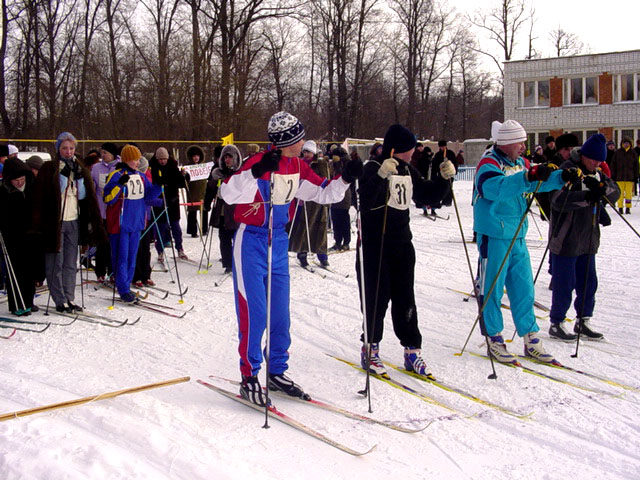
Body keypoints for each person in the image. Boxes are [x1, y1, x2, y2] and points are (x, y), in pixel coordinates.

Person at [219, 111, 361, 406]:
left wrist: (345, 178)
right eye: (298, 139)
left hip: (279, 244)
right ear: (286, 142)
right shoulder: (258, 163)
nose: (303, 143)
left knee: (280, 317)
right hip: (251, 240)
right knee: (255, 315)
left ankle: (277, 371)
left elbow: (323, 193)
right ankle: (249, 376)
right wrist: (255, 174)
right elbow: (228, 194)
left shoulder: (297, 165)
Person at [473, 120, 579, 364]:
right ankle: (494, 337)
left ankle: (530, 337)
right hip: (495, 234)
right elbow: (493, 188)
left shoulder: (521, 163)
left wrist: (561, 176)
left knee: (524, 289)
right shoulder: (489, 162)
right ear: (508, 142)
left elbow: (537, 180)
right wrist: (528, 176)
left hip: (518, 233)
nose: (523, 146)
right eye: (520, 142)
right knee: (492, 289)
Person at [357, 124, 456, 377]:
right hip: (375, 246)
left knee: (405, 299)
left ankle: (412, 350)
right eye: (409, 149)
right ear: (394, 149)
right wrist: (380, 177)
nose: (413, 153)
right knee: (376, 299)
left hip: (402, 244)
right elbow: (366, 201)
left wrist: (444, 181)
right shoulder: (371, 168)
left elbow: (426, 196)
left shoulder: (406, 170)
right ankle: (370, 347)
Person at [547, 134, 620, 342]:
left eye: (600, 161)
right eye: (593, 159)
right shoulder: (567, 170)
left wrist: (601, 190)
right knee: (564, 282)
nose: (596, 164)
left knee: (589, 281)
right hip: (566, 237)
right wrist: (586, 196)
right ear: (584, 155)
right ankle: (557, 321)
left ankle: (583, 319)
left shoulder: (596, 174)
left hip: (589, 236)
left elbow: (614, 191)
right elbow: (557, 200)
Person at [32, 132, 105, 313]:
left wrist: (79, 178)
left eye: (71, 148)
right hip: (55, 222)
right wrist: (63, 176)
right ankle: (59, 299)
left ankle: (69, 297)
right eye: (64, 148)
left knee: (70, 262)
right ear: (58, 149)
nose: (68, 151)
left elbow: (82, 195)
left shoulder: (79, 166)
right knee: (56, 261)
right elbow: (45, 196)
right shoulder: (49, 168)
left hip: (73, 219)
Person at [103, 145, 162, 303]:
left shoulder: (140, 176)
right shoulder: (116, 174)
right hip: (120, 224)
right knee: (121, 257)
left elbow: (147, 196)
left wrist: (159, 186)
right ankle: (123, 288)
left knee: (131, 257)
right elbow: (108, 198)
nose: (137, 162)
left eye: (138, 159)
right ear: (126, 159)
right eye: (134, 159)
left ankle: (126, 285)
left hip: (136, 223)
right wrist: (119, 185)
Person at [0, 158, 39, 315]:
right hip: (12, 236)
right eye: (16, 180)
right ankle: (17, 304)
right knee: (15, 270)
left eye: (21, 179)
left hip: (30, 234)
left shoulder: (31, 187)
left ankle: (28, 301)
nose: (19, 183)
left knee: (29, 269)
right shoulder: (4, 191)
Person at [288, 140, 331, 267]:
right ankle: (302, 253)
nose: (306, 154)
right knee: (303, 228)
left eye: (309, 152)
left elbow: (324, 180)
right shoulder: (299, 163)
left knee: (319, 229)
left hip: (316, 202)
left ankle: (322, 255)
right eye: (305, 151)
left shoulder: (320, 163)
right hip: (302, 200)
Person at [149, 147, 188, 262]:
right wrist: (157, 181)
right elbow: (150, 182)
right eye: (160, 159)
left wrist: (184, 176)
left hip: (173, 201)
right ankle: (160, 251)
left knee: (176, 227)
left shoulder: (173, 167)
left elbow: (181, 183)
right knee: (160, 228)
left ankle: (180, 249)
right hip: (159, 202)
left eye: (164, 159)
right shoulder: (153, 167)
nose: (162, 161)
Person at [209, 144, 243, 273]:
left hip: (235, 212)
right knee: (224, 239)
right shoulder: (219, 173)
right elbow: (211, 189)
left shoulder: (240, 174)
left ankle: (238, 263)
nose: (226, 160)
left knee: (237, 239)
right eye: (225, 157)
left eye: (229, 157)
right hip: (222, 211)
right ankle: (228, 264)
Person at [91, 143, 119, 282]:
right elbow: (92, 186)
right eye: (101, 152)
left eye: (105, 153)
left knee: (114, 244)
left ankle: (113, 271)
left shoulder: (120, 166)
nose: (103, 155)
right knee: (102, 243)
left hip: (116, 212)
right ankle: (100, 272)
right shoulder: (97, 168)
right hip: (102, 211)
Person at [132, 156, 158, 287]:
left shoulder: (148, 176)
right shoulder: (135, 176)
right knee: (136, 247)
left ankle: (146, 275)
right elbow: (143, 198)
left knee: (145, 247)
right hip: (136, 217)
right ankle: (136, 275)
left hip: (146, 217)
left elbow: (150, 195)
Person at [609, 137, 638, 214]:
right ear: (622, 144)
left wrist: (636, 176)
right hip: (619, 177)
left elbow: (636, 165)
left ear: (630, 144)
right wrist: (613, 175)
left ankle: (628, 208)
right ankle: (620, 207)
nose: (626, 144)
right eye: (624, 143)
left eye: (627, 143)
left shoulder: (633, 153)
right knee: (620, 194)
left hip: (629, 177)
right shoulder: (617, 153)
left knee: (629, 194)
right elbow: (613, 165)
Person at [184, 145, 208, 237]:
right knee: (192, 211)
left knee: (204, 210)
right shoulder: (188, 168)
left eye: (197, 156)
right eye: (194, 156)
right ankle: (193, 231)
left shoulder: (204, 167)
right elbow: (185, 180)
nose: (196, 158)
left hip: (203, 191)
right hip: (192, 191)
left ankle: (204, 229)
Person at [429, 140, 458, 214]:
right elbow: (435, 166)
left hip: (449, 174)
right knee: (442, 188)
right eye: (441, 147)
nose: (442, 148)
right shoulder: (438, 155)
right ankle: (442, 199)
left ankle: (448, 201)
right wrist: (434, 175)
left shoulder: (450, 153)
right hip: (441, 175)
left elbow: (454, 163)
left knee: (449, 187)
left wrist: (455, 171)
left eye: (443, 146)